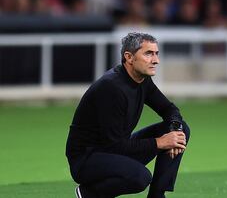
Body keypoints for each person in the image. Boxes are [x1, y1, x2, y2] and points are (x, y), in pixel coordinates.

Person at [65, 32, 190, 198]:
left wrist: (175, 130)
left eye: (156, 54)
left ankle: (157, 196)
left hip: (113, 148)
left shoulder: (142, 80)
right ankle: (89, 193)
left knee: (181, 131)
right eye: (148, 54)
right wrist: (159, 143)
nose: (156, 60)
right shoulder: (111, 88)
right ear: (129, 57)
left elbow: (169, 110)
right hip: (87, 158)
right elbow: (114, 145)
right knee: (140, 177)